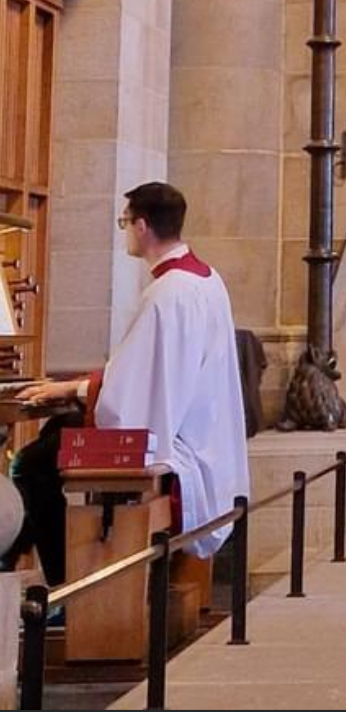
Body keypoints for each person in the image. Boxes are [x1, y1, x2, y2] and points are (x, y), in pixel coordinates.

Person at [10, 182, 248, 580]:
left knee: (29, 465)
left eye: (124, 222)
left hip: (178, 448)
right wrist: (77, 388)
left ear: (141, 225)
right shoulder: (205, 278)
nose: (125, 231)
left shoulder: (168, 292)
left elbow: (131, 396)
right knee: (55, 431)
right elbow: (146, 374)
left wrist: (72, 388)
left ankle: (65, 588)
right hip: (203, 437)